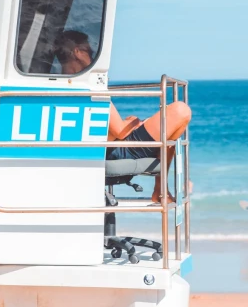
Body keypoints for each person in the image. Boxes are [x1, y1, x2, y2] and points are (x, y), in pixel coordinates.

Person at [56, 31, 192, 204]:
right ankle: (160, 189)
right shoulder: (88, 85)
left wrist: (129, 123)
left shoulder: (63, 83)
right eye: (89, 50)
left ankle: (160, 189)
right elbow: (119, 131)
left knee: (169, 129)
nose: (92, 54)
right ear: (77, 52)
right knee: (180, 111)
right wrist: (133, 122)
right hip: (117, 151)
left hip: (106, 148)